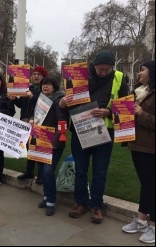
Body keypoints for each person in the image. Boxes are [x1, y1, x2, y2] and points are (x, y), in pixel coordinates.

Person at [59, 50, 128, 224]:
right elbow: (68, 104)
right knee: (80, 170)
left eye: (107, 70)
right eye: (100, 69)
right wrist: (63, 102)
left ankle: (97, 206)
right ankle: (81, 203)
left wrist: (108, 111)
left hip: (105, 131)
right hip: (81, 129)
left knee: (100, 171)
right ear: (94, 65)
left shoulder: (119, 77)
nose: (104, 72)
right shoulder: (78, 76)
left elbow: (126, 104)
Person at [122, 60, 155, 244]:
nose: (139, 73)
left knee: (152, 186)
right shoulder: (141, 92)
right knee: (146, 184)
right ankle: (141, 220)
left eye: (142, 70)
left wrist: (141, 113)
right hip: (137, 145)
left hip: (150, 148)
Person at [28, 75, 69, 216]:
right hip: (40, 140)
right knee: (42, 171)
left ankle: (51, 201)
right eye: (44, 84)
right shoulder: (41, 100)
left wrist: (55, 143)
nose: (45, 86)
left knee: (48, 172)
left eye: (49, 84)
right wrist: (32, 119)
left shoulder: (59, 102)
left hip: (53, 143)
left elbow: (63, 123)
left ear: (54, 86)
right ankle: (46, 197)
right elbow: (35, 115)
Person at [8, 65, 48, 185]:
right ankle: (29, 171)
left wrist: (32, 96)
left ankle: (41, 175)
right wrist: (14, 99)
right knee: (28, 148)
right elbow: (22, 104)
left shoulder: (45, 89)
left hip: (39, 123)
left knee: (38, 149)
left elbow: (44, 105)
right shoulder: (27, 88)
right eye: (34, 74)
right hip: (25, 122)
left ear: (43, 77)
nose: (36, 76)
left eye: (39, 74)